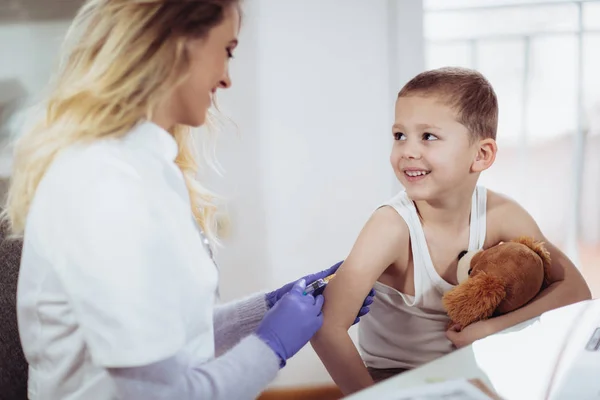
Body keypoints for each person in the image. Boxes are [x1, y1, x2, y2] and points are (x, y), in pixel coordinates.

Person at [0, 1, 374, 399]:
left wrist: (269, 310)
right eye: (227, 50)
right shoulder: (104, 185)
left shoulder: (148, 169)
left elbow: (177, 341)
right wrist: (274, 344)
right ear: (178, 44)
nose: (227, 78)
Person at [310, 66, 592, 395]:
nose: (407, 150)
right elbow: (327, 327)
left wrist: (491, 329)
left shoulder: (500, 214)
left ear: (481, 154)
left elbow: (575, 289)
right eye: (400, 135)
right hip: (395, 380)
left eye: (427, 136)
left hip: (465, 372)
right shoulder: (391, 227)